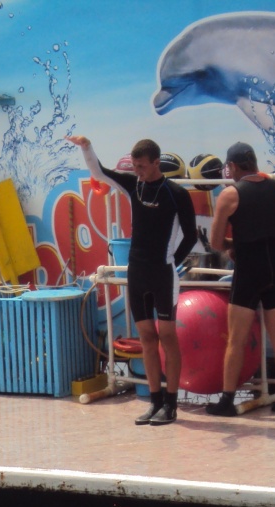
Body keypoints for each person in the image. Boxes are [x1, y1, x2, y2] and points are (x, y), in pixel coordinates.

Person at [66, 135, 197, 425]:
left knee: (167, 337)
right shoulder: (133, 185)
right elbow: (99, 172)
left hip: (163, 274)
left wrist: (172, 262)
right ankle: (155, 401)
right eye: (134, 166)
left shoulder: (175, 193)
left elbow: (190, 235)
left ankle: (171, 404)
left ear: (156, 162)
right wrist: (87, 147)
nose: (137, 171)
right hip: (137, 273)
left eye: (142, 166)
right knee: (147, 338)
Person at [205, 142, 275, 417]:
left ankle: (227, 401)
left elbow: (215, 242)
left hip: (249, 271)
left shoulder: (230, 194)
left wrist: (234, 243)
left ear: (232, 166)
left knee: (237, 340)